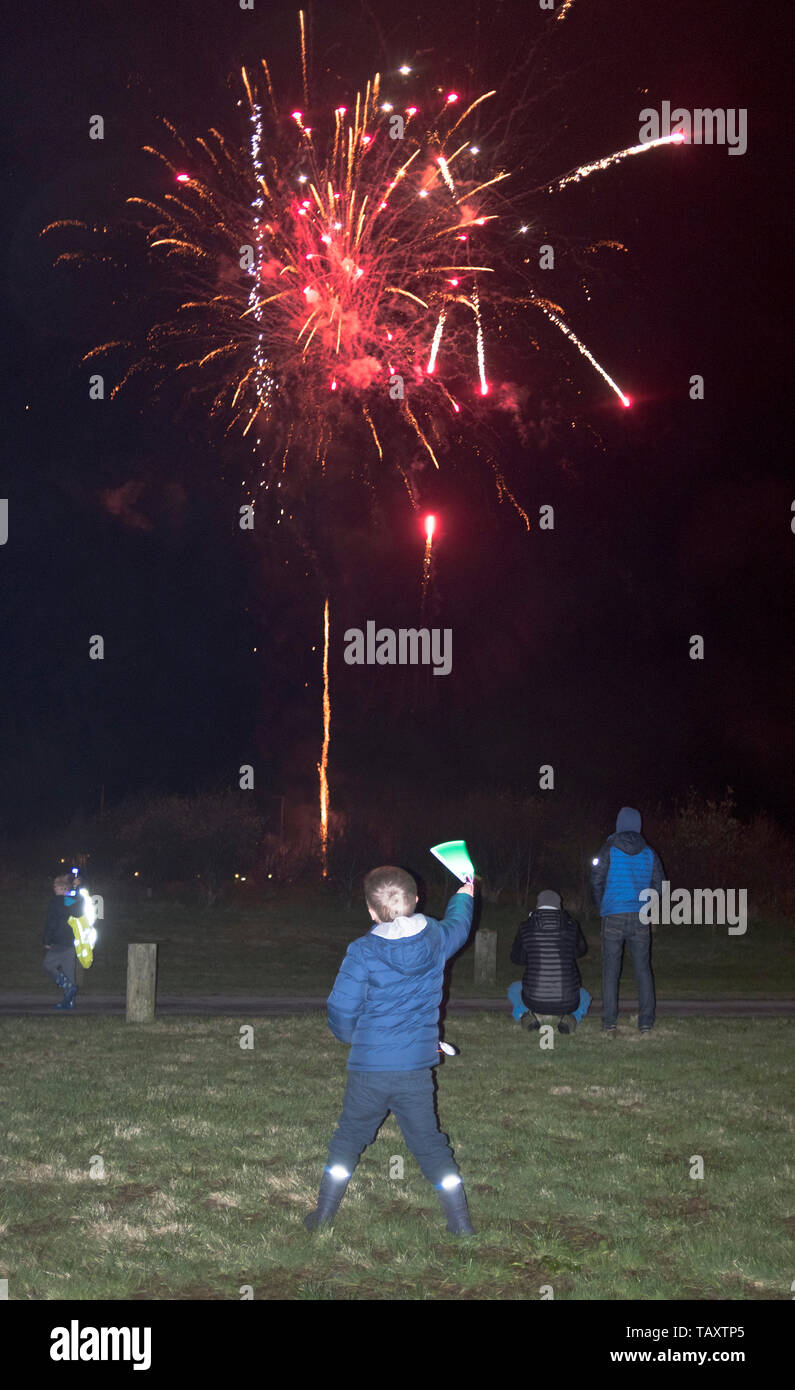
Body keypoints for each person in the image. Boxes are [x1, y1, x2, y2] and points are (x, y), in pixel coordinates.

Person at [305, 865, 476, 1235]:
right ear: (416, 900)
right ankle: (460, 1224)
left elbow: (340, 1008)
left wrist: (350, 1036)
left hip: (370, 1069)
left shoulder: (362, 951)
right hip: (415, 1070)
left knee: (348, 1139)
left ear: (370, 910)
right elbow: (459, 923)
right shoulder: (436, 939)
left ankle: (323, 1216)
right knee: (430, 1144)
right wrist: (466, 892)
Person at [590, 806, 664, 1036]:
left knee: (611, 970)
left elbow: (596, 878)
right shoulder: (650, 852)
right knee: (643, 969)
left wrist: (603, 905)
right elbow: (660, 886)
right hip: (640, 917)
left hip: (613, 914)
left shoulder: (609, 848)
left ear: (619, 823)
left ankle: (609, 1023)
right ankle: (646, 1023)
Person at [508, 890, 591, 1034]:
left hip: (533, 1000)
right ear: (560, 906)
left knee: (513, 989)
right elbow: (581, 952)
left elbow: (516, 959)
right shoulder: (572, 925)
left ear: (538, 905)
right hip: (568, 1000)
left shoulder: (525, 926)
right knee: (584, 995)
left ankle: (524, 1015)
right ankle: (572, 1018)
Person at [43, 872, 81, 1010]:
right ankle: (69, 1002)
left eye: (56, 886)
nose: (54, 888)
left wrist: (47, 940)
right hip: (71, 940)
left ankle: (68, 987)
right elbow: (78, 909)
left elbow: (51, 922)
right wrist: (76, 888)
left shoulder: (55, 902)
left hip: (59, 940)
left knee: (48, 965)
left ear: (62, 889)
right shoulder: (70, 901)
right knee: (69, 971)